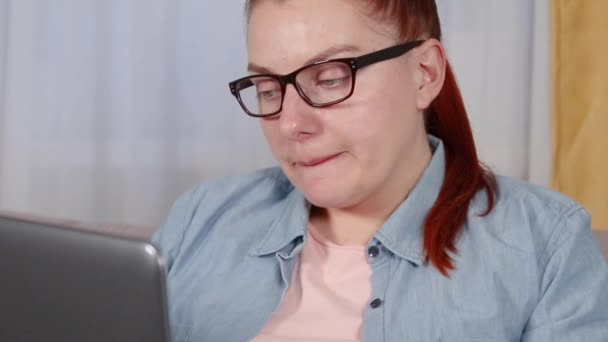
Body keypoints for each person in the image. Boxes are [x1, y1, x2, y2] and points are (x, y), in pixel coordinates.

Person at [152, 1, 608, 341]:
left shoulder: (545, 248)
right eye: (269, 88)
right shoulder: (201, 219)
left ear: (425, 73)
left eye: (329, 78)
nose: (291, 124)